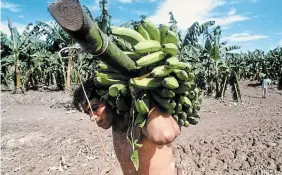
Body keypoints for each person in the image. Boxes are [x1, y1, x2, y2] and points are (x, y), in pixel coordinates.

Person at [73, 79, 181, 175]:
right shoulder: (116, 127)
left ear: (110, 98)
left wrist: (144, 90)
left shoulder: (140, 122)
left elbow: (165, 135)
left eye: (95, 108)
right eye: (88, 113)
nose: (92, 117)